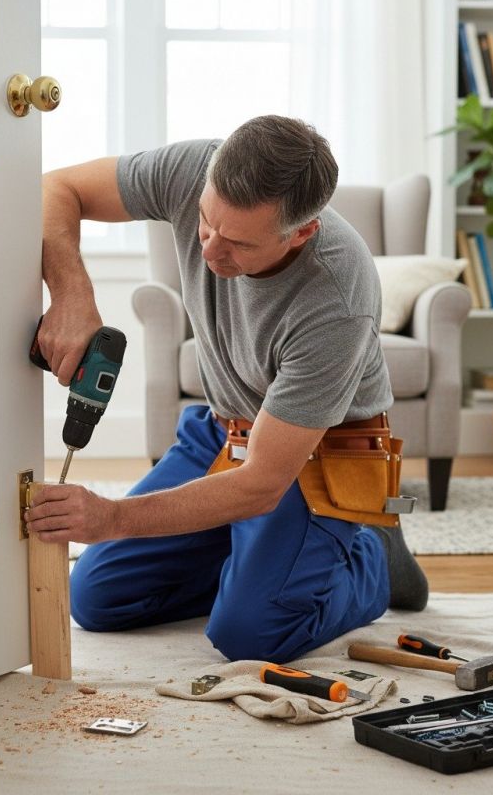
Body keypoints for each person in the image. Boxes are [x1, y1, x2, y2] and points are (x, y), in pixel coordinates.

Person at [25, 115, 428, 664]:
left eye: (238, 243)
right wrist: (72, 294)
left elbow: (262, 483)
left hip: (313, 458)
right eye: (205, 224)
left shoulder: (338, 297)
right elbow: (56, 187)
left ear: (302, 232)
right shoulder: (194, 168)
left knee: (249, 636)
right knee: (96, 598)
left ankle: (373, 561)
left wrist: (113, 518)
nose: (210, 253)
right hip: (222, 432)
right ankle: (254, 563)